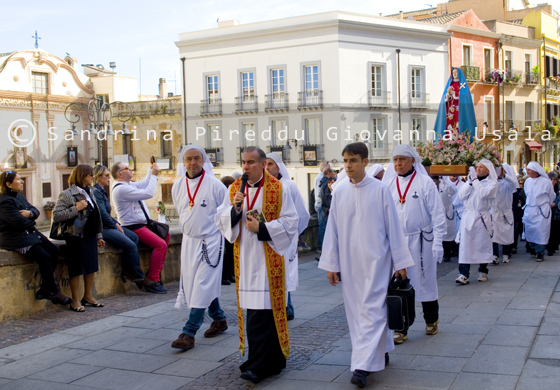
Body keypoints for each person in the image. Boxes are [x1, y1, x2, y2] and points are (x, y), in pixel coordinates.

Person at [319, 142, 414, 388]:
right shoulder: (339, 192)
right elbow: (333, 231)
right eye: (345, 161)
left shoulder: (381, 190)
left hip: (378, 262)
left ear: (365, 162)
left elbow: (394, 227)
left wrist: (400, 263)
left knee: (373, 311)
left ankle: (361, 366)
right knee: (356, 314)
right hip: (350, 265)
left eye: (353, 160)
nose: (348, 166)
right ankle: (379, 350)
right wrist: (332, 264)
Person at [215, 146, 298, 384]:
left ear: (263, 164)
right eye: (243, 162)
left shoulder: (278, 188)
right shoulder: (233, 189)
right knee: (254, 312)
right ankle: (266, 361)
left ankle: (262, 364)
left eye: (251, 162)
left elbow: (291, 221)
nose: (245, 167)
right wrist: (235, 209)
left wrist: (261, 228)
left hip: (268, 258)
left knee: (265, 312)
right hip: (245, 259)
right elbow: (221, 218)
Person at [382, 145, 445, 345]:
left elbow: (437, 213)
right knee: (399, 283)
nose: (398, 164)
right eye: (395, 160)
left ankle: (431, 320)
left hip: (421, 241)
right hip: (398, 242)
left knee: (425, 282)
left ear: (412, 161)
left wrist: (438, 242)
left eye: (402, 159)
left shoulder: (425, 182)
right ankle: (401, 327)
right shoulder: (388, 184)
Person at [171, 145, 228, 351]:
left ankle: (189, 332)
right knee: (194, 283)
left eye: (197, 158)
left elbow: (226, 213)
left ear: (203, 161)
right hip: (189, 241)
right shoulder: (177, 186)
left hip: (211, 240)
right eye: (188, 159)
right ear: (183, 162)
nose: (192, 163)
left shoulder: (215, 186)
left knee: (202, 284)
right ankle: (219, 319)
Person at [0, 171, 72, 306]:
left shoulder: (19, 198)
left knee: (55, 251)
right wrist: (31, 219)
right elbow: (18, 223)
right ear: (8, 184)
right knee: (44, 257)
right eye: (18, 179)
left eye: (22, 179)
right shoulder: (4, 202)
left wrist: (30, 214)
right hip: (16, 238)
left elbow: (36, 211)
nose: (22, 181)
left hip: (30, 234)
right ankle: (55, 291)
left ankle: (45, 288)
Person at [52, 164, 105, 312]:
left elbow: (96, 215)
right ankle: (75, 300)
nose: (92, 178)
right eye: (90, 175)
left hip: (89, 235)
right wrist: (76, 208)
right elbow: (56, 215)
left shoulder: (90, 192)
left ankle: (88, 296)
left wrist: (99, 235)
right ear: (82, 176)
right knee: (76, 268)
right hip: (75, 237)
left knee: (91, 266)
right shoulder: (67, 194)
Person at [111, 161, 169, 293]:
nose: (130, 169)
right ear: (119, 174)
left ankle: (156, 272)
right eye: (126, 168)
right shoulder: (121, 189)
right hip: (134, 226)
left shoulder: (127, 185)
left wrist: (150, 170)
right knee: (160, 245)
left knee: (166, 234)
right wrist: (154, 175)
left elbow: (143, 184)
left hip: (143, 224)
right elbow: (148, 193)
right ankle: (153, 278)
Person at [265, 153, 310, 321]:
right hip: (266, 236)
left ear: (278, 166)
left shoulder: (288, 186)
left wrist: (292, 234)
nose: (267, 168)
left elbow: (302, 214)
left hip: (285, 237)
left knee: (284, 273)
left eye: (271, 164)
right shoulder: (262, 186)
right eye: (265, 164)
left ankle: (286, 307)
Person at [92, 165, 149, 288]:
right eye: (106, 175)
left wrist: (115, 222)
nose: (109, 178)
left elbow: (106, 213)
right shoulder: (96, 193)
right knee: (130, 245)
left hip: (109, 225)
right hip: (103, 229)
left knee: (134, 237)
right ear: (98, 178)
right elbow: (101, 213)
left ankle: (126, 270)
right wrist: (114, 223)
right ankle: (138, 276)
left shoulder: (101, 191)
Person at [455, 160, 497, 284]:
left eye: (481, 167)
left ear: (488, 170)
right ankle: (463, 273)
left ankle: (483, 271)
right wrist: (469, 182)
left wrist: (475, 181)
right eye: (477, 167)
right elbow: (461, 195)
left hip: (481, 217)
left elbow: (483, 194)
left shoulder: (492, 183)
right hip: (468, 216)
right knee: (465, 245)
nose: (477, 169)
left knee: (481, 244)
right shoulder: (471, 182)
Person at [523, 161, 556, 262]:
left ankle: (540, 252)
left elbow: (551, 195)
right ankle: (533, 248)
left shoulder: (546, 182)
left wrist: (547, 204)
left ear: (535, 170)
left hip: (542, 210)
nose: (527, 171)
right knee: (531, 230)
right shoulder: (527, 181)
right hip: (530, 209)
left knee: (541, 231)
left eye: (529, 169)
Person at [491, 164, 518, 264]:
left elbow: (514, 183)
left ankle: (506, 254)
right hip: (495, 212)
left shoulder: (508, 183)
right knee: (494, 234)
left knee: (506, 234)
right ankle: (495, 255)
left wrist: (505, 175)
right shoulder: (493, 182)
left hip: (506, 212)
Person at [432, 175, 457, 263]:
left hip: (446, 210)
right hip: (434, 210)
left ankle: (447, 254)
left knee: (447, 234)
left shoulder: (446, 182)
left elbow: (452, 191)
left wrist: (444, 180)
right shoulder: (430, 183)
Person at [220, 176, 236, 285]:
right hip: (226, 229)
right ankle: (225, 275)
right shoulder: (225, 194)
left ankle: (230, 274)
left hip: (232, 228)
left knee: (231, 254)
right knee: (227, 254)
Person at [314, 161, 329, 253]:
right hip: (320, 205)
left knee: (322, 225)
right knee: (322, 226)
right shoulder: (321, 178)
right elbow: (319, 193)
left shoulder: (318, 176)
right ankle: (320, 247)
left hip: (318, 204)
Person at [546, 172, 560, 256]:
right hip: (546, 211)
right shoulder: (546, 187)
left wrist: (554, 203)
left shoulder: (558, 188)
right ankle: (549, 247)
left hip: (556, 213)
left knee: (555, 230)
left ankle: (553, 246)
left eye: (554, 180)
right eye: (550, 179)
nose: (552, 181)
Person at [512, 176, 526, 253]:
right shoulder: (515, 191)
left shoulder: (523, 192)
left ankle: (515, 245)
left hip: (520, 212)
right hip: (515, 211)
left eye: (522, 183)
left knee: (517, 229)